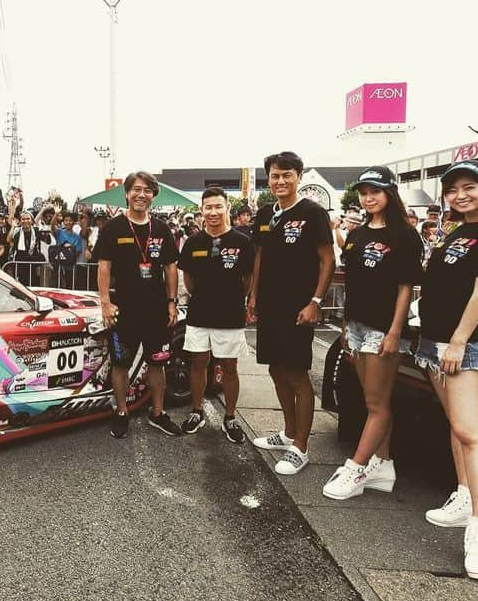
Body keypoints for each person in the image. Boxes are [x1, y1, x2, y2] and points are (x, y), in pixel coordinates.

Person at [416, 160, 478, 581]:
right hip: (433, 342)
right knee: (457, 428)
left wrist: (458, 341)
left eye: (468, 187)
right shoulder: (458, 231)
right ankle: (463, 496)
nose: (459, 195)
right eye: (453, 189)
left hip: (464, 345)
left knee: (472, 433)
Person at [322, 166, 422, 500]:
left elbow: (406, 287)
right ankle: (384, 464)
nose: (369, 198)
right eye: (364, 193)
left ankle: (356, 468)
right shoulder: (357, 234)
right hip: (356, 327)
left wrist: (395, 331)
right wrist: (346, 327)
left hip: (385, 329)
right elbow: (353, 283)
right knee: (373, 402)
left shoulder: (405, 235)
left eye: (375, 192)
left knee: (376, 404)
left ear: (390, 193)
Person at [248, 151, 334, 475]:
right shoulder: (264, 214)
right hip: (269, 306)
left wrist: (315, 301)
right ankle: (287, 432)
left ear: (299, 176)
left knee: (297, 374)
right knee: (275, 370)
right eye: (274, 175)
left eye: (287, 175)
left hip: (298, 307)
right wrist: (254, 295)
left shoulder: (313, 213)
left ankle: (301, 446)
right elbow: (260, 256)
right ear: (268, 179)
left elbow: (328, 260)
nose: (280, 181)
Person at [94, 170, 181, 439]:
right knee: (121, 364)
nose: (141, 194)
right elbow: (104, 267)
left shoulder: (163, 228)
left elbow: (171, 268)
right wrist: (105, 303)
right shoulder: (113, 228)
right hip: (124, 310)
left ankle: (158, 413)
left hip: (156, 309)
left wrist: (172, 302)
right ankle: (122, 411)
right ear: (127, 193)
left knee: (158, 363)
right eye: (136, 189)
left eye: (146, 190)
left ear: (153, 196)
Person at [177, 187, 254, 442]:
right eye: (207, 207)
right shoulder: (193, 242)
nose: (213, 212)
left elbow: (247, 279)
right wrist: (203, 297)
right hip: (199, 314)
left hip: (230, 315)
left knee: (229, 366)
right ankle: (197, 411)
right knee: (198, 362)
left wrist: (233, 298)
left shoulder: (242, 242)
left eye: (217, 206)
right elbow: (187, 278)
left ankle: (230, 417)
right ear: (201, 210)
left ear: (227, 208)